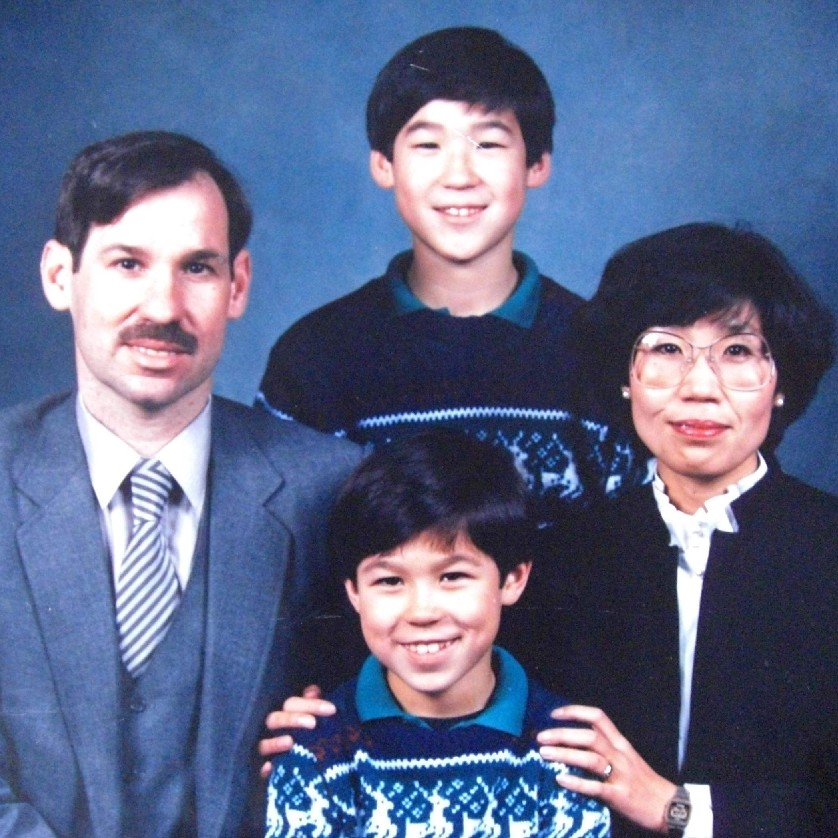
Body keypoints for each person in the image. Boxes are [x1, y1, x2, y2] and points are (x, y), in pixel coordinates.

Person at [0, 131, 361, 836]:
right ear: (58, 276)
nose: (163, 307)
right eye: (127, 263)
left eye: (197, 267)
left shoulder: (330, 489)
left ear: (239, 285)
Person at [256, 26, 646, 517]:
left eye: (488, 144)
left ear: (537, 164)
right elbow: (287, 555)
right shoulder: (316, 358)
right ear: (383, 164)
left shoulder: (601, 351)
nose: (459, 176)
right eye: (427, 146)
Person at [525, 223, 838, 836]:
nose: (700, 388)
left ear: (781, 386)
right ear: (625, 375)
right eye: (667, 350)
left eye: (738, 352)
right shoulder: (563, 558)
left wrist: (678, 809)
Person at [265, 430, 610, 837]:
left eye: (452, 576)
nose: (422, 612)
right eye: (390, 581)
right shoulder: (318, 750)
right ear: (353, 592)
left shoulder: (562, 748)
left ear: (512, 579)